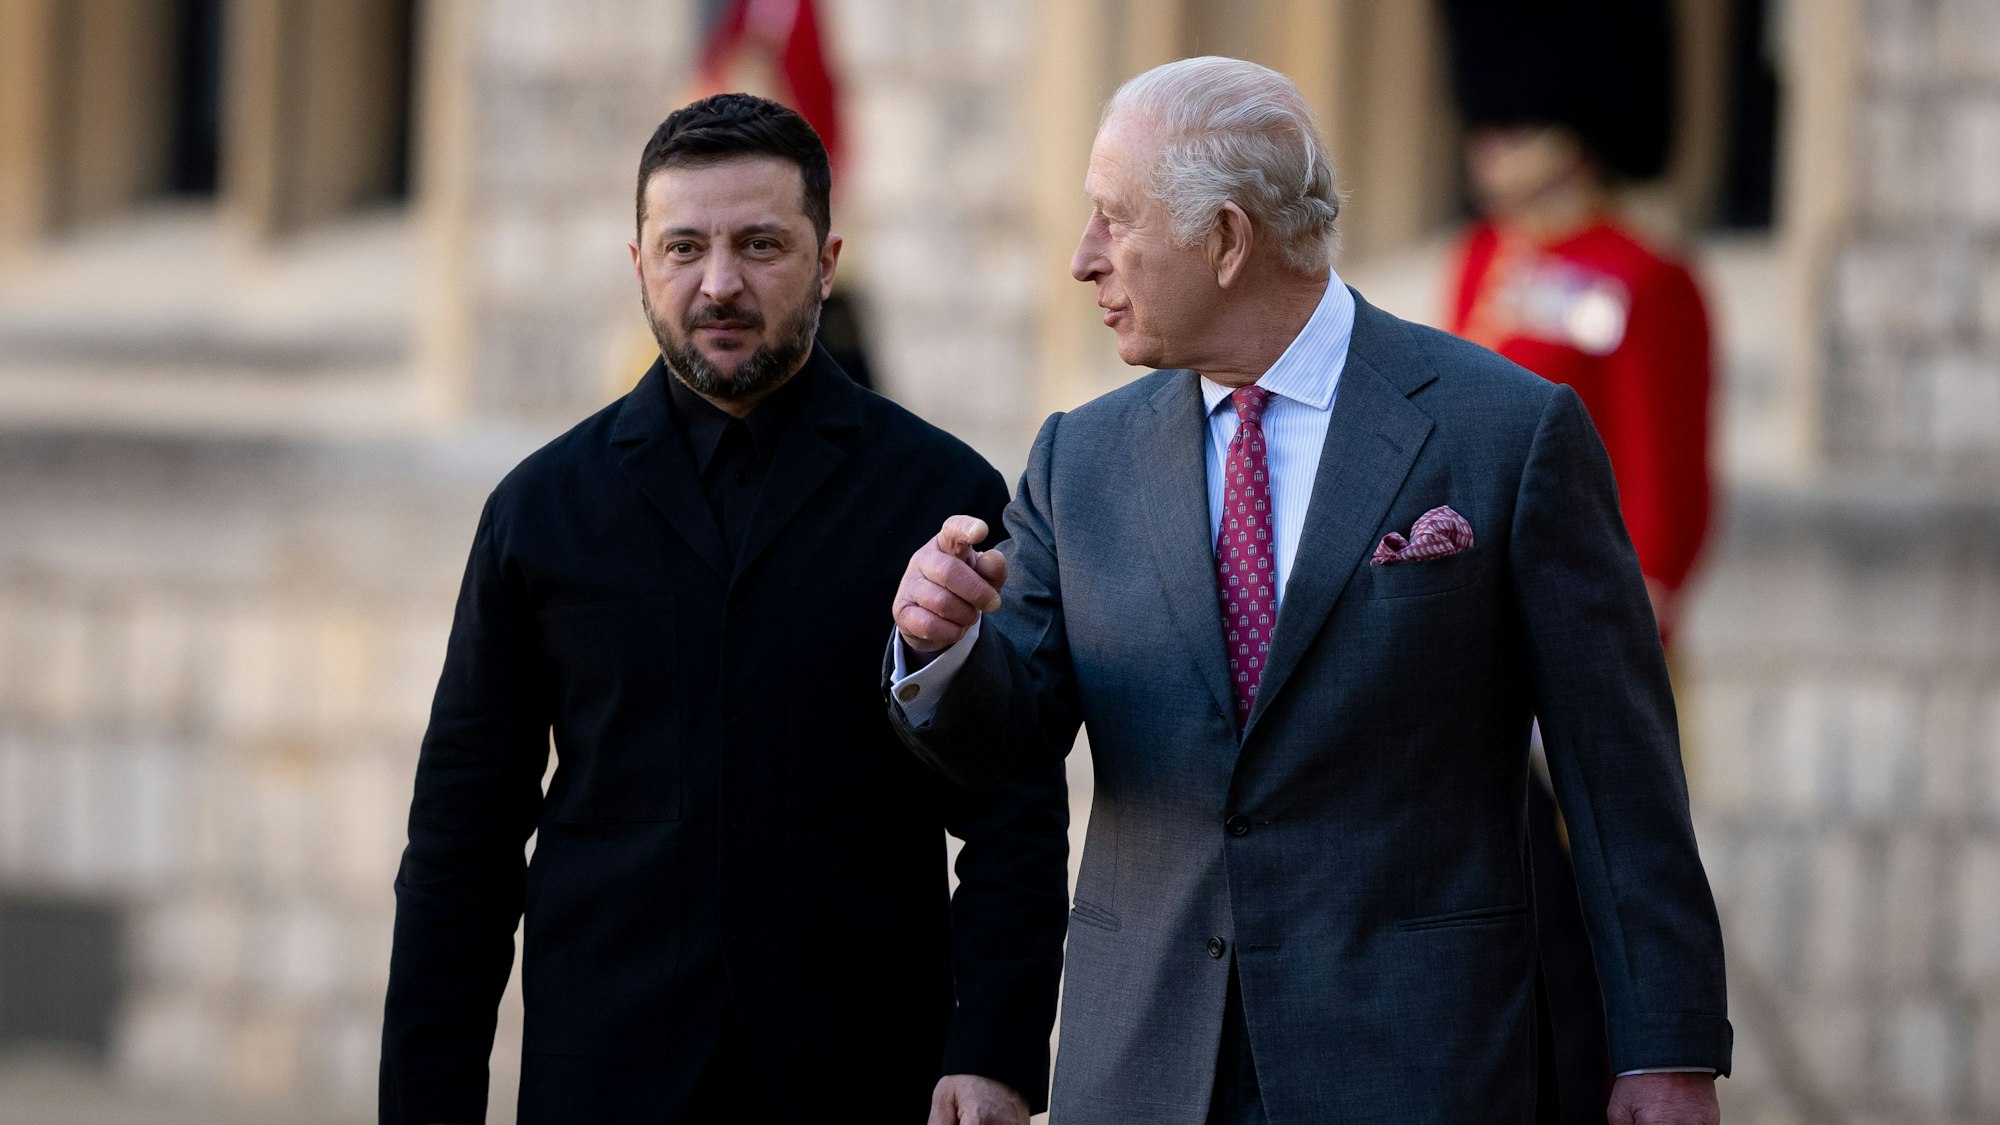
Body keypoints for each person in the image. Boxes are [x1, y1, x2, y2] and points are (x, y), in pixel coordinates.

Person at [885, 58, 1730, 1124]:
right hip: (1143, 1066)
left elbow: (1618, 775)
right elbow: (1007, 744)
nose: (1081, 260)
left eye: (1113, 221)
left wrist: (1666, 1048)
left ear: (1227, 242)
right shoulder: (1076, 461)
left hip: (1411, 1063)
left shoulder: (1505, 434)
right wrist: (943, 647)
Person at [380, 93, 1069, 1125]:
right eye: (684, 247)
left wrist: (995, 1054)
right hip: (603, 1081)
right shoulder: (540, 512)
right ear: (638, 265)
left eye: (759, 245)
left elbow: (1013, 808)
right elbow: (460, 845)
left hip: (865, 1078)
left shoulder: (942, 498)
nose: (719, 284)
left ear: (827, 261)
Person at [1439, 5, 1718, 1117]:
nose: (1495, 138)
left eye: (1518, 116)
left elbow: (1665, 507)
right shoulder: (1478, 264)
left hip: (1578, 670)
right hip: (1465, 653)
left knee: (1584, 935)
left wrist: (1586, 670)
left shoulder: (1644, 276)